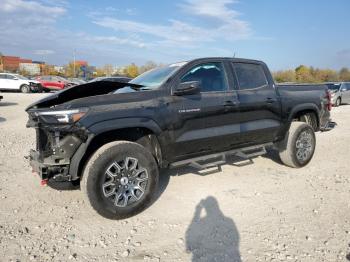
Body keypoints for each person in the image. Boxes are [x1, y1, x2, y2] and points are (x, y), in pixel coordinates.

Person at [185, 196, 241, 262]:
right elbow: (236, 238)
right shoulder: (229, 221)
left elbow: (190, 233)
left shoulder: (203, 221)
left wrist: (198, 210)